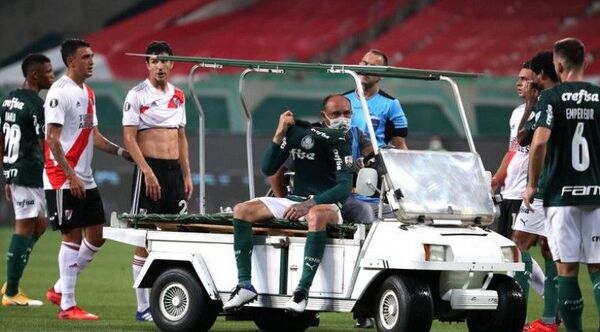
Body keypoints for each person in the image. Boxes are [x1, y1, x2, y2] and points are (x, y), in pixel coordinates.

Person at [222, 110, 353, 314]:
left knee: (316, 215)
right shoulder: (297, 134)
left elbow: (345, 187)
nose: (342, 118)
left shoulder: (340, 139)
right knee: (241, 210)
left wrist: (310, 203)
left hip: (328, 205)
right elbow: (267, 168)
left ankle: (301, 292)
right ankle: (245, 285)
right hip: (293, 200)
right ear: (324, 114)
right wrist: (278, 134)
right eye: (337, 113)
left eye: (347, 113)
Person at [43, 38, 132, 320]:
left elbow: (92, 135)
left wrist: (120, 151)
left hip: (85, 176)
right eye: (85, 57)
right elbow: (52, 140)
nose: (91, 61)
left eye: (92, 56)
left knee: (97, 235)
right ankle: (68, 306)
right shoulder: (59, 93)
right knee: (72, 236)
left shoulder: (88, 92)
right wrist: (71, 177)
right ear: (71, 62)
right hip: (62, 177)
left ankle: (59, 288)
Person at [523, 37, 600, 332]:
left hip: (560, 195)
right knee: (597, 271)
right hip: (595, 193)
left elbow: (539, 143)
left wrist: (531, 185)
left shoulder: (552, 97)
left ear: (557, 65)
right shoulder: (598, 96)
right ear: (586, 62)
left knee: (567, 269)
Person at [122, 40, 193, 322]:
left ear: (172, 64)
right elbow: (129, 138)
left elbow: (181, 137)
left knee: (172, 235)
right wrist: (147, 172)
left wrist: (187, 173)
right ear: (147, 64)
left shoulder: (178, 94)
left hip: (174, 172)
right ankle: (142, 308)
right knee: (145, 236)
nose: (160, 66)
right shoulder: (136, 94)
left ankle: (163, 298)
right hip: (149, 171)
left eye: (165, 61)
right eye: (154, 61)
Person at [512, 50, 561, 332]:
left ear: (541, 76)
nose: (525, 84)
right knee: (550, 250)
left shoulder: (546, 100)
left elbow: (525, 139)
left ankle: (517, 317)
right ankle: (551, 320)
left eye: (528, 79)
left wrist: (532, 101)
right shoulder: (578, 97)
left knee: (517, 245)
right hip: (568, 186)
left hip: (543, 186)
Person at [0, 54, 54, 306]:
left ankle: (12, 278)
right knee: (25, 226)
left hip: (16, 171)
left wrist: (6, 174)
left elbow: (1, 138)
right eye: (49, 72)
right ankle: (11, 291)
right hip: (29, 171)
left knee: (40, 224)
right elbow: (46, 146)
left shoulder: (9, 99)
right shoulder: (36, 105)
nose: (52, 76)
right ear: (35, 75)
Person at [491, 61, 536, 238]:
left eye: (524, 79)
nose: (518, 83)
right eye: (518, 78)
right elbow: (513, 151)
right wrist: (497, 179)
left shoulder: (543, 111)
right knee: (507, 247)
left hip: (523, 194)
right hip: (508, 192)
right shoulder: (517, 112)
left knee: (519, 247)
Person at [344, 49, 408, 149]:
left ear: (382, 75)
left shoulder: (391, 104)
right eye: (364, 64)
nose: (366, 69)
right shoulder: (343, 100)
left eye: (373, 67)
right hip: (346, 162)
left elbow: (400, 145)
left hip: (374, 162)